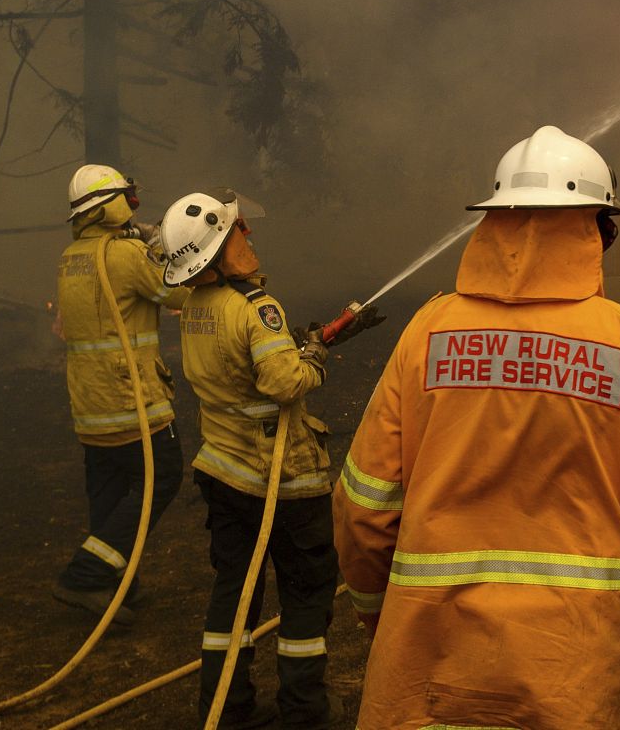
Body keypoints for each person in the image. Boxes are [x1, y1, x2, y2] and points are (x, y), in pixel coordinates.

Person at [335, 126, 620, 730]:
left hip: (435, 671)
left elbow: (364, 508)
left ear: (495, 223)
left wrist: (383, 620)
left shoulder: (427, 333)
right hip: (585, 679)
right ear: (595, 228)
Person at [159, 188, 379, 729]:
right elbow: (284, 381)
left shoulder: (196, 307)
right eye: (238, 229)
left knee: (234, 594)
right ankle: (304, 710)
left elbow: (245, 364)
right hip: (282, 477)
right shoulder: (257, 308)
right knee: (307, 591)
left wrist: (296, 344)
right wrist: (315, 359)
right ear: (218, 245)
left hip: (224, 470)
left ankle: (226, 708)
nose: (247, 234)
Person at [53, 164, 187, 624]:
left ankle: (116, 584)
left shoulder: (72, 257)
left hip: (90, 408)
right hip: (133, 405)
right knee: (163, 477)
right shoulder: (127, 254)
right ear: (112, 204)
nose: (134, 207)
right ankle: (86, 574)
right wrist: (159, 248)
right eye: (128, 200)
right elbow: (181, 294)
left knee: (109, 496)